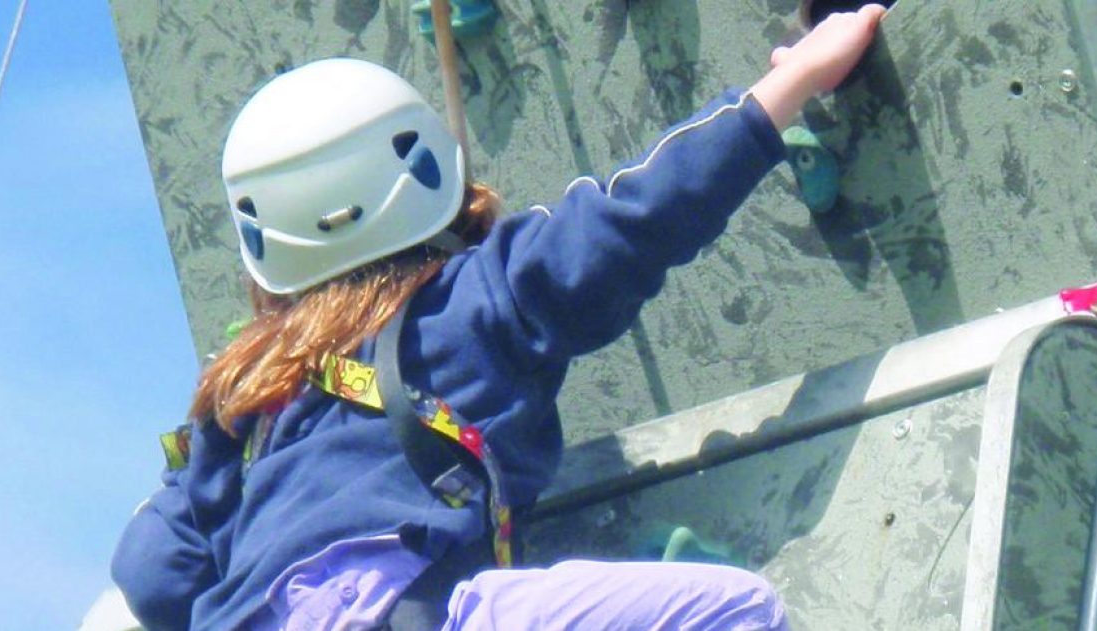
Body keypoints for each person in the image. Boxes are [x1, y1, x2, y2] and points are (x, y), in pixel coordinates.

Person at [111, 5, 888, 630]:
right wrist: (788, 85)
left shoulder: (244, 395)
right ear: (420, 165)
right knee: (739, 611)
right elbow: (638, 218)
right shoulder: (474, 301)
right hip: (417, 615)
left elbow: (152, 574)